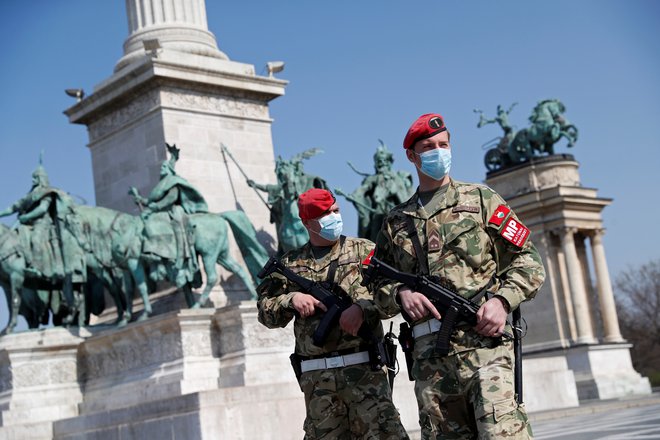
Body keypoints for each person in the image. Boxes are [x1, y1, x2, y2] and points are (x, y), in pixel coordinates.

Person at [373, 113, 546, 439]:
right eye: (429, 147)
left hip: (486, 349)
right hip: (430, 361)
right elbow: (374, 284)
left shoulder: (482, 199)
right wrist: (399, 294)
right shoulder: (396, 221)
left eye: (444, 145)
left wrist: (502, 301)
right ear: (412, 156)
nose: (439, 152)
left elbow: (529, 262)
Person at [257, 188, 408, 439]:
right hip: (319, 383)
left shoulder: (364, 251)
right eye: (324, 214)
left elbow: (392, 293)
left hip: (365, 373)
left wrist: (362, 308)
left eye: (335, 211)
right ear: (306, 222)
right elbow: (265, 313)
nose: (333, 217)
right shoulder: (290, 264)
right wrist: (290, 299)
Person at [130, 144, 208, 287]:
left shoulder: (172, 181)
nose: (161, 169)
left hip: (175, 211)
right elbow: (153, 200)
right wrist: (141, 200)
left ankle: (177, 255)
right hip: (163, 211)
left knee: (156, 223)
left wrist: (155, 207)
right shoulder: (161, 185)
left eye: (164, 167)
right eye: (161, 167)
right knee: (149, 222)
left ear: (170, 169)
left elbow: (171, 198)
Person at [338, 142, 413, 243]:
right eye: (378, 161)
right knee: (375, 237)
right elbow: (363, 188)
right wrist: (355, 195)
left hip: (399, 210)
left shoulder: (400, 177)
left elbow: (408, 196)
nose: (381, 163)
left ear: (389, 162)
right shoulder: (373, 178)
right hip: (379, 213)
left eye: (383, 160)